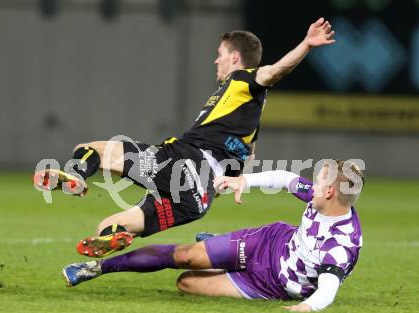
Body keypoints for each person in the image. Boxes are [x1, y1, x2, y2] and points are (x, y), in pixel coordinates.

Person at [35, 18, 336, 257]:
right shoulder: (247, 119)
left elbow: (273, 73)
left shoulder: (244, 81)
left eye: (219, 55)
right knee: (108, 226)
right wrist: (231, 182)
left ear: (234, 57)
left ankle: (75, 176)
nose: (215, 61)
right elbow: (245, 160)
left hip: (185, 163)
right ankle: (112, 237)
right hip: (198, 200)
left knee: (91, 150)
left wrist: (306, 45)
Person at [62, 160, 364, 312]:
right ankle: (96, 268)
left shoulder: (339, 244)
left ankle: (221, 250)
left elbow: (328, 287)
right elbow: (285, 179)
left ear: (330, 192)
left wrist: (307, 308)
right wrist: (242, 180)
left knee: (187, 283)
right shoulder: (321, 197)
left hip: (268, 284)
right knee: (184, 255)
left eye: (319, 181)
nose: (312, 185)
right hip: (269, 243)